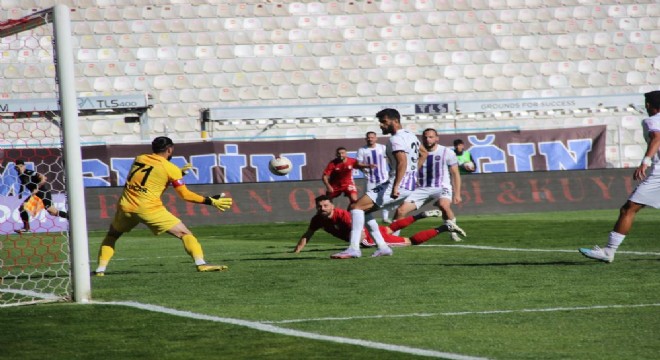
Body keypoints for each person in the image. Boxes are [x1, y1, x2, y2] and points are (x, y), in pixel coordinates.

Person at [93, 136, 233, 275]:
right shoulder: (170, 168)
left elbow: (150, 177)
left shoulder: (140, 158)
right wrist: (210, 201)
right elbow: (185, 195)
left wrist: (178, 174)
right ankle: (201, 264)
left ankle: (100, 270)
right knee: (184, 233)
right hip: (148, 208)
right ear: (170, 149)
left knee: (112, 235)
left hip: (126, 206)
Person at [332, 108, 425, 259]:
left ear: (395, 121)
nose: (381, 125)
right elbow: (424, 153)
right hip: (408, 184)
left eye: (384, 122)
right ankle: (383, 247)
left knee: (355, 207)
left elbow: (402, 162)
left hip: (397, 184)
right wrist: (413, 173)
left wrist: (396, 185)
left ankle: (354, 248)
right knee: (364, 210)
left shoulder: (395, 139)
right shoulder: (410, 135)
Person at [579, 90, 660, 263]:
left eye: (646, 102)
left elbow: (656, 138)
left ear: (649, 105)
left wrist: (645, 161)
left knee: (629, 208)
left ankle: (609, 251)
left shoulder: (652, 121)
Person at [294, 195, 465, 253]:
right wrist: (296, 251)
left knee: (409, 242)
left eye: (325, 205)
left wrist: (356, 247)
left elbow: (359, 232)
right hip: (373, 232)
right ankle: (422, 215)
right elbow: (307, 234)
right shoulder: (317, 219)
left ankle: (443, 227)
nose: (322, 208)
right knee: (390, 227)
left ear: (332, 206)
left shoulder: (343, 215)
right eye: (320, 206)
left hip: (369, 239)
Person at [394, 128, 465, 242]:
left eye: (431, 137)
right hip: (421, 188)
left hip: (441, 187)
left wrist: (457, 194)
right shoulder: (415, 151)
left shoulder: (447, 152)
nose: (428, 139)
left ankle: (453, 232)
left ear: (437, 138)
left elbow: (455, 174)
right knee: (401, 211)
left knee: (444, 205)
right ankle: (393, 238)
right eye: (425, 137)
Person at [13, 159, 68, 234]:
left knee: (52, 211)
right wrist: (20, 192)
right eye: (17, 167)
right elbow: (23, 183)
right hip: (35, 194)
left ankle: (70, 217)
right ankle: (26, 228)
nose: (19, 168)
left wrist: (37, 187)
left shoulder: (29, 172)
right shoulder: (20, 175)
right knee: (22, 208)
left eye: (20, 166)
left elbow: (44, 178)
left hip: (43, 192)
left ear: (24, 166)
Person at [356, 131, 393, 223]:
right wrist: (367, 166)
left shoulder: (382, 148)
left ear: (376, 138)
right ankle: (369, 219)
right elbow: (358, 164)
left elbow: (391, 159)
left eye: (372, 137)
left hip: (383, 177)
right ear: (366, 139)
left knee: (385, 197)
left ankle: (385, 217)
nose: (370, 139)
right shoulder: (362, 150)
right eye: (368, 137)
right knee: (368, 198)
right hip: (370, 179)